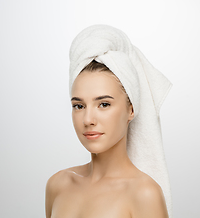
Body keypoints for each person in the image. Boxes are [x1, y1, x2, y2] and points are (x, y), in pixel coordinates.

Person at [45, 25, 172, 218]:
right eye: (79, 106)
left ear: (131, 109)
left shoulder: (144, 194)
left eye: (103, 104)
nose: (88, 120)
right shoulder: (58, 185)